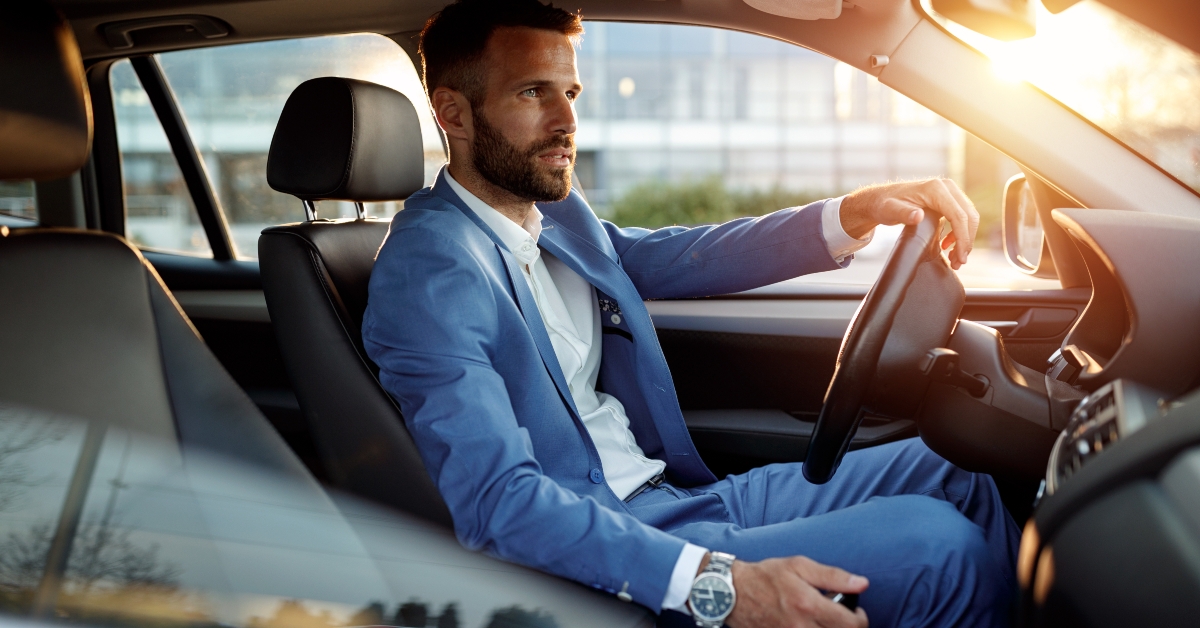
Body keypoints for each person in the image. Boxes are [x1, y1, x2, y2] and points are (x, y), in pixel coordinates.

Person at [362, 1, 1020, 626]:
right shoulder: (429, 273)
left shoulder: (549, 211)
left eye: (572, 93)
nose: (566, 118)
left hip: (681, 498)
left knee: (962, 464)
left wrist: (851, 214)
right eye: (534, 93)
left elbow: (675, 256)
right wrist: (715, 584)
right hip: (622, 540)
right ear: (454, 113)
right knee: (940, 549)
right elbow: (498, 503)